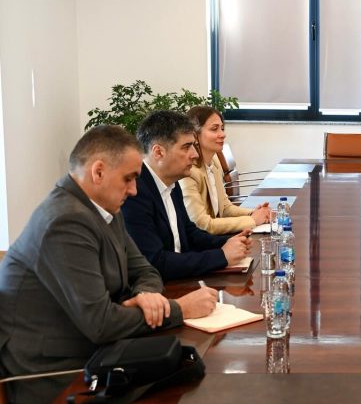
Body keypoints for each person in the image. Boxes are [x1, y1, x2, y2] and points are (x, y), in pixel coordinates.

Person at [0, 126, 217, 403]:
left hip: (101, 354)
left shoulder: (103, 208)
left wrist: (146, 296)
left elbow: (145, 270)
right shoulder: (64, 222)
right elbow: (100, 323)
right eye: (129, 178)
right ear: (98, 172)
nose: (134, 190)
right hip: (55, 373)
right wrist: (180, 309)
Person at [122, 111, 253, 281]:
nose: (195, 154)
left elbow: (189, 233)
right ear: (158, 152)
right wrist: (221, 256)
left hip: (182, 279)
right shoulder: (134, 193)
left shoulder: (172, 181)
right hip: (160, 288)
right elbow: (155, 262)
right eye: (186, 147)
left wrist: (229, 241)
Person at [180, 106, 270, 234]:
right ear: (194, 134)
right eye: (214, 129)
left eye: (222, 128)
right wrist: (253, 220)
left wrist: (255, 213)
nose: (223, 134)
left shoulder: (214, 161)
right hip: (203, 243)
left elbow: (225, 208)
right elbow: (201, 224)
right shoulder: (188, 172)